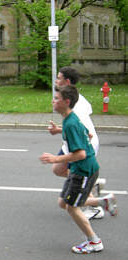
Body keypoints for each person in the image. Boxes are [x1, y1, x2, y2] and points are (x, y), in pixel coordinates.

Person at [40, 85, 117, 254]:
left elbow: (81, 154)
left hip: (83, 170)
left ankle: (94, 241)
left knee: (71, 207)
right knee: (63, 202)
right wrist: (58, 131)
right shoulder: (70, 120)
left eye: (57, 98)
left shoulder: (71, 122)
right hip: (81, 168)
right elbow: (87, 135)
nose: (53, 101)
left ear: (66, 102)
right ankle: (103, 202)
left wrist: (55, 158)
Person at [48, 66, 106, 220]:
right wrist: (59, 130)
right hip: (73, 143)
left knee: (72, 175)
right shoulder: (73, 97)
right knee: (58, 169)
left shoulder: (76, 105)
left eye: (59, 78)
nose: (56, 80)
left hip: (84, 146)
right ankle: (93, 184)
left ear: (67, 81)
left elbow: (86, 132)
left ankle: (94, 207)